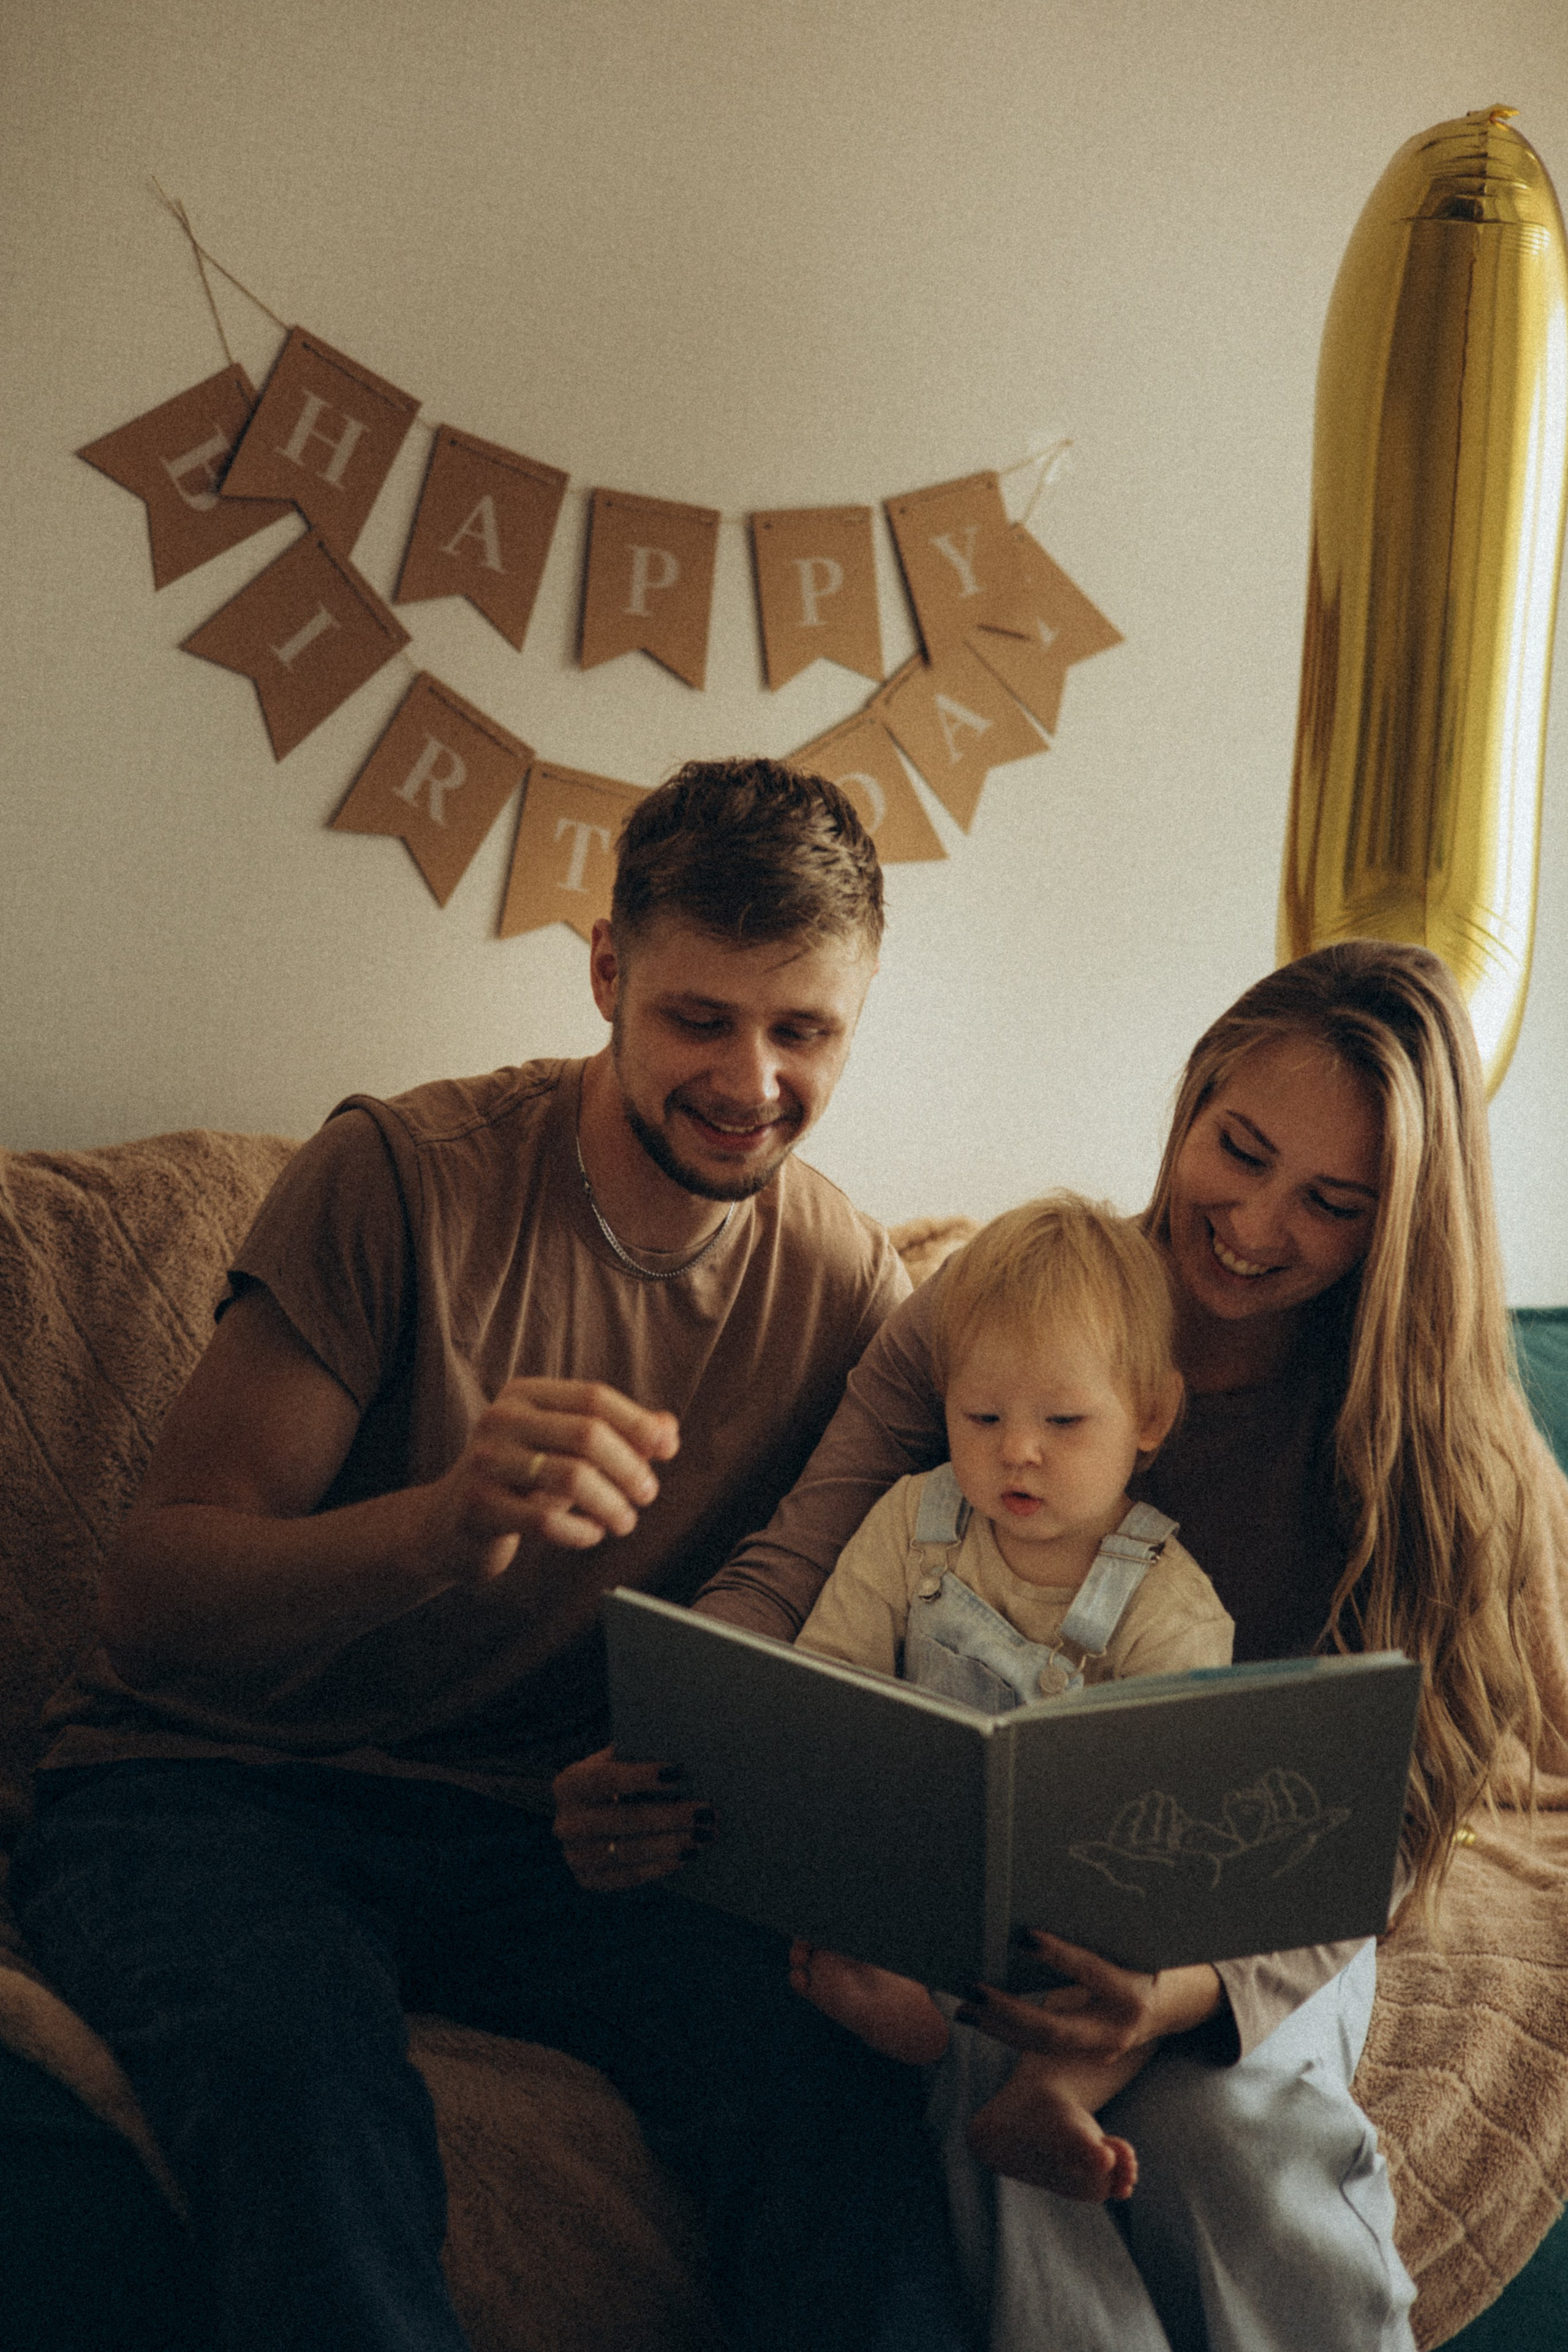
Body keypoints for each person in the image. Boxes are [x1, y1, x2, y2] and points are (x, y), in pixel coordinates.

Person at [12, 758, 964, 2352]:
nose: (751, 1080)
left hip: (552, 1841)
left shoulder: (845, 1289)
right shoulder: (399, 1177)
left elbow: (840, 1629)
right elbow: (155, 1595)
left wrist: (667, 1784)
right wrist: (437, 1530)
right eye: (698, 1019)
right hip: (215, 1788)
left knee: (828, 2075)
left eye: (804, 1031)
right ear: (607, 974)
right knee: (297, 2086)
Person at [575, 940, 1555, 2351]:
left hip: (1256, 1905)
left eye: (1331, 1206)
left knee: (1227, 2126)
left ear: (1396, 1226)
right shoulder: (1014, 1312)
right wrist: (684, 1722)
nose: (1256, 1226)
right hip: (1005, 1896)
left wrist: (1174, 1996)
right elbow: (806, 1558)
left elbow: (1387, 1811)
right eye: (1240, 1151)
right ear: (1194, 1097)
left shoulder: (1413, 1436)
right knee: (1000, 2090)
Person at [788, 1193, 1234, 2204]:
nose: (1016, 1450)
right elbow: (830, 1685)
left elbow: (1188, 1808)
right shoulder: (914, 1522)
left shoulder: (1170, 1600)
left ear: (1150, 1416)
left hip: (1082, 1915)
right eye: (981, 1417)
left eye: (1064, 1421)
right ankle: (904, 2015)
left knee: (1147, 1965)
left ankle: (1051, 2093)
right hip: (915, 1865)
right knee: (827, 1907)